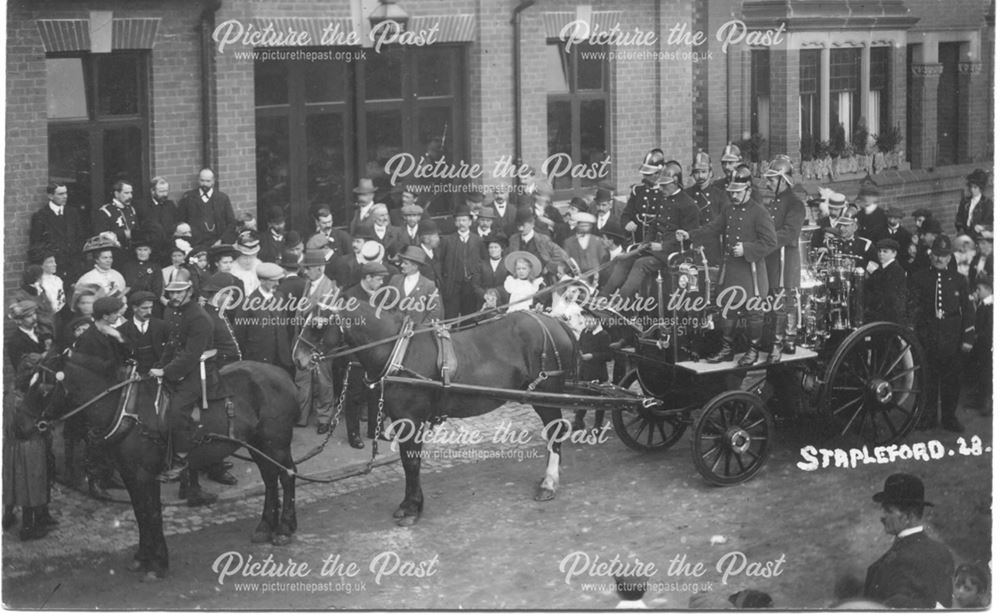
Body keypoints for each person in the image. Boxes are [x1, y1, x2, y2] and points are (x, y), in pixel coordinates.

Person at [681, 164, 777, 366]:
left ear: (748, 191)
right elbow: (712, 228)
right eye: (731, 192)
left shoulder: (760, 213)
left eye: (738, 192)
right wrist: (690, 235)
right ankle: (726, 350)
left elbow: (770, 242)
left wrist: (747, 249)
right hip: (732, 270)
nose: (733, 196)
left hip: (751, 272)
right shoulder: (728, 210)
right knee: (727, 307)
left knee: (754, 311)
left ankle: (753, 351)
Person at [149, 268, 225, 480]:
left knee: (176, 410)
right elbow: (172, 344)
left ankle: (181, 459)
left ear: (190, 291)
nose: (174, 296)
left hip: (198, 371)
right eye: (171, 292)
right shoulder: (174, 312)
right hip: (179, 367)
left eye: (179, 292)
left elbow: (191, 354)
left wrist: (166, 371)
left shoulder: (198, 317)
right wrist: (159, 365)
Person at [908, 235, 975, 433]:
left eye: (944, 256)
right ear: (931, 255)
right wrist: (914, 337)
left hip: (952, 338)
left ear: (949, 257)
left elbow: (968, 310)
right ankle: (928, 417)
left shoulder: (959, 280)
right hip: (927, 338)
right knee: (928, 379)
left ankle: (949, 417)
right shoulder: (918, 278)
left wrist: (968, 338)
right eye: (936, 255)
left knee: (951, 381)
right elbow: (912, 309)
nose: (939, 259)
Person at [864, 473, 954, 608]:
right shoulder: (942, 552)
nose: (882, 516)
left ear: (908, 516)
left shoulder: (893, 564)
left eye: (888, 510)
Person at [761, 154, 807, 361]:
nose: (768, 183)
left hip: (785, 259)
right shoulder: (772, 203)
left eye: (772, 179)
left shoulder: (795, 204)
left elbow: (789, 233)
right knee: (775, 300)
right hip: (772, 259)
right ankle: (782, 339)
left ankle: (782, 343)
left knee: (784, 300)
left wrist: (764, 242)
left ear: (783, 180)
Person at [294, 251, 343, 439]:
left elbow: (328, 320)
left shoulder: (330, 288)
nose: (305, 272)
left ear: (319, 268)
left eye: (308, 268)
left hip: (321, 344)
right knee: (303, 378)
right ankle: (301, 416)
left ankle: (324, 419)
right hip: (305, 340)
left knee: (323, 382)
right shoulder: (309, 283)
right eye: (304, 268)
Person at [342, 262, 392, 442]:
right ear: (367, 278)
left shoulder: (382, 296)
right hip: (356, 355)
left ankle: (375, 430)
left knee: (376, 394)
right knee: (354, 395)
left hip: (377, 357)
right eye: (378, 279)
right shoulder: (349, 297)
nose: (381, 283)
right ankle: (353, 434)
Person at [236, 262, 293, 373]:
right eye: (273, 281)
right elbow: (240, 335)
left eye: (278, 280)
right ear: (262, 281)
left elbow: (284, 327)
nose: (277, 283)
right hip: (259, 360)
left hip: (282, 359)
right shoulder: (248, 303)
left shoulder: (280, 297)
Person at [29, 181, 84, 285]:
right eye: (60, 194)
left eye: (66, 193)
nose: (65, 196)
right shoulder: (41, 216)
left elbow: (79, 237)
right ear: (50, 196)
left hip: (73, 266)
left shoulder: (73, 213)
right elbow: (36, 244)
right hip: (55, 266)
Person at [439, 204, 484, 318]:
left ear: (470, 222)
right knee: (451, 315)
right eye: (458, 220)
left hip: (471, 284)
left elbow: (482, 260)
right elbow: (441, 261)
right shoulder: (447, 240)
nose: (461, 223)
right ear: (455, 223)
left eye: (464, 220)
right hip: (452, 284)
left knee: (469, 316)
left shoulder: (477, 240)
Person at [685, 150, 726, 267]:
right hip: (691, 244)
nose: (700, 176)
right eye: (697, 172)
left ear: (710, 172)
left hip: (712, 247)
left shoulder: (720, 196)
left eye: (704, 172)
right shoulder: (686, 195)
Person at [572, 315, 612, 433]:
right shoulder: (585, 332)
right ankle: (579, 421)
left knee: (598, 399)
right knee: (583, 396)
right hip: (585, 371)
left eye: (591, 321)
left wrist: (593, 356)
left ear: (597, 322)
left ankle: (598, 425)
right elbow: (580, 345)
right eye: (586, 321)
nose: (588, 324)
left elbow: (608, 355)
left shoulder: (603, 335)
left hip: (597, 371)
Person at [178, 168, 237, 247]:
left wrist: (221, 240)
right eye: (202, 181)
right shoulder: (188, 197)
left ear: (213, 181)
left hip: (217, 242)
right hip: (195, 244)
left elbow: (231, 223)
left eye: (208, 181)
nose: (204, 184)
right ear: (198, 180)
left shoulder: (222, 198)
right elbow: (181, 221)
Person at [388, 246, 443, 326]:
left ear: (415, 266)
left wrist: (423, 327)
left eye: (406, 263)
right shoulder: (395, 280)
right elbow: (387, 303)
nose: (402, 265)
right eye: (402, 262)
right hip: (394, 329)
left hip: (416, 333)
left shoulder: (428, 285)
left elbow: (436, 309)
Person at [118, 291, 168, 374]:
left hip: (158, 375)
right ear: (134, 308)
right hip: (135, 378)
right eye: (144, 308)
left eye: (150, 308)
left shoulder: (161, 326)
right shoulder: (122, 330)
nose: (149, 312)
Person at [622, 149, 665, 243]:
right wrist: (627, 223)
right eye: (645, 174)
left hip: (659, 239)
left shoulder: (665, 192)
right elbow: (626, 214)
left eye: (649, 174)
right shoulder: (638, 191)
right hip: (639, 237)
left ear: (659, 173)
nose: (645, 177)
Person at [135, 176, 180, 267]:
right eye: (161, 192)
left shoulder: (170, 205)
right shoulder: (142, 206)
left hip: (168, 248)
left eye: (166, 191)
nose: (164, 194)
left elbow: (176, 224)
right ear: (152, 191)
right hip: (152, 249)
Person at [120, 235, 165, 317]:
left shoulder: (156, 268)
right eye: (139, 250)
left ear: (150, 251)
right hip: (132, 306)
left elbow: (157, 290)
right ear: (135, 251)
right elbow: (126, 287)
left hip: (150, 305)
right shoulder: (128, 267)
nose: (142, 253)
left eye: (145, 250)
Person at [864, 239, 907, 325]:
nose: (881, 254)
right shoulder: (881, 269)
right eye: (879, 251)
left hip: (889, 315)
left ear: (894, 253)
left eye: (885, 251)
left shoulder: (896, 270)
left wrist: (874, 273)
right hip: (880, 313)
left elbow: (887, 292)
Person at [563, 212, 609, 288]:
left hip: (596, 278)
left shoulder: (598, 241)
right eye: (582, 225)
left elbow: (603, 259)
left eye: (587, 225)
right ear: (577, 225)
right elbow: (567, 261)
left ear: (591, 226)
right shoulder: (568, 242)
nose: (584, 228)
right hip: (576, 280)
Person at [968, 274, 993, 416]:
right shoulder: (982, 303)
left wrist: (978, 335)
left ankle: (987, 402)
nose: (976, 292)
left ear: (989, 290)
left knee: (986, 373)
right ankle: (979, 398)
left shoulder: (991, 305)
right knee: (979, 372)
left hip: (987, 345)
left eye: (979, 289)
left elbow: (989, 328)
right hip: (980, 345)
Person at [92, 180, 137, 253]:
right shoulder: (105, 211)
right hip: (115, 253)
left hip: (132, 252)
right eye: (126, 193)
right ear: (116, 194)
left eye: (131, 193)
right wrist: (124, 234)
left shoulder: (131, 210)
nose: (130, 196)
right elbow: (101, 236)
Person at [6, 301, 49, 372]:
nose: (34, 318)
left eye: (34, 313)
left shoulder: (42, 332)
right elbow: (21, 369)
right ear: (19, 320)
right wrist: (42, 357)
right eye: (29, 316)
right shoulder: (15, 342)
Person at [955, 168, 992, 240]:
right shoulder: (965, 201)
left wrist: (982, 227)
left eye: (975, 187)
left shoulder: (987, 203)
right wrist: (960, 228)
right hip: (964, 234)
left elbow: (990, 222)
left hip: (979, 236)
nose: (972, 190)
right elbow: (959, 217)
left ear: (981, 188)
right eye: (971, 187)